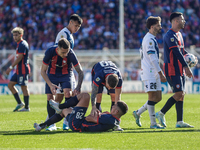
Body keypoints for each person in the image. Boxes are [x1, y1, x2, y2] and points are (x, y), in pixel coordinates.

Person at [155, 12, 197, 128]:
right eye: (182, 19)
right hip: (172, 69)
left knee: (182, 94)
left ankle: (179, 121)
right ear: (175, 21)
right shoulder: (170, 35)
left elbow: (182, 52)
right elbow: (177, 53)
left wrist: (190, 57)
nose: (184, 21)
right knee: (178, 93)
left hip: (179, 69)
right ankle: (160, 113)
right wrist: (187, 67)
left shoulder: (179, 34)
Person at [46, 14, 83, 131]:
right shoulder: (64, 34)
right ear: (70, 22)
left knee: (65, 95)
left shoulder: (70, 35)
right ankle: (53, 121)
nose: (77, 28)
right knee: (61, 96)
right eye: (76, 25)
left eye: (79, 27)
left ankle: (59, 121)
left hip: (67, 69)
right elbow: (59, 52)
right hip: (61, 70)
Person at [41, 38, 84, 131]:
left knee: (68, 94)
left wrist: (78, 87)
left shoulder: (71, 53)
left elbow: (80, 71)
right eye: (63, 52)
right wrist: (50, 85)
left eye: (67, 52)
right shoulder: (50, 52)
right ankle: (51, 124)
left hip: (66, 74)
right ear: (58, 49)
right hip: (52, 74)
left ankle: (67, 121)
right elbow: (43, 71)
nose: (65, 55)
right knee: (49, 97)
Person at [132, 16, 167, 129]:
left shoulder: (151, 38)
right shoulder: (149, 39)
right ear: (152, 27)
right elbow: (152, 58)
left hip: (153, 72)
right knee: (152, 97)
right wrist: (160, 72)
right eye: (158, 25)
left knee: (158, 97)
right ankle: (153, 123)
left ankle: (138, 113)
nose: (160, 27)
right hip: (150, 72)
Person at [34, 93, 128, 132]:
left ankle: (59, 106)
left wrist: (94, 115)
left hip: (78, 124)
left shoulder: (109, 118)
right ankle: (42, 125)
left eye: (114, 106)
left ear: (116, 111)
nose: (112, 106)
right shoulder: (115, 120)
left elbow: (89, 118)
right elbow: (114, 126)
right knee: (64, 111)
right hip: (78, 124)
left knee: (85, 96)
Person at [89, 60, 124, 131]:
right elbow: (93, 94)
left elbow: (118, 96)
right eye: (108, 87)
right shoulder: (99, 76)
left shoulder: (119, 78)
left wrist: (116, 112)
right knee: (98, 96)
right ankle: (97, 119)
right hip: (97, 69)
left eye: (111, 88)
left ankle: (114, 123)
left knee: (114, 96)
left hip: (110, 71)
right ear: (105, 81)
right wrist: (93, 107)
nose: (108, 89)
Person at [6, 27, 31, 112]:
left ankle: (27, 107)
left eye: (16, 35)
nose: (14, 37)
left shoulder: (22, 44)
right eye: (13, 35)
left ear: (21, 35)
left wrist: (10, 67)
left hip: (23, 70)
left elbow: (19, 58)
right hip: (19, 70)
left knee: (24, 87)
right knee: (10, 85)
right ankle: (20, 103)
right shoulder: (19, 44)